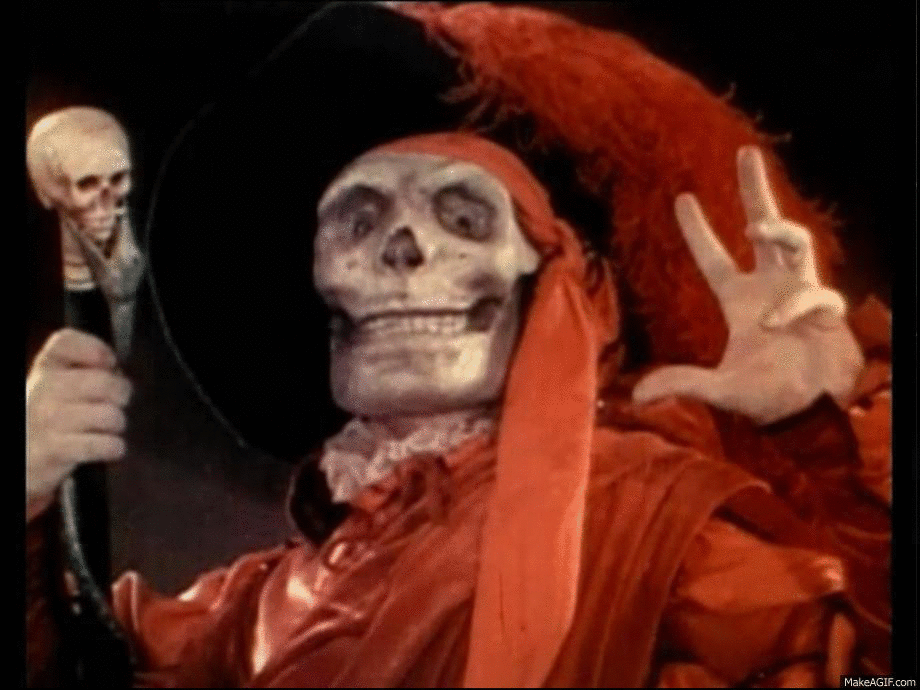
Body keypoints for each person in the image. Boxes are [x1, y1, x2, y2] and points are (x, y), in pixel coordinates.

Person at [26, 3, 892, 687]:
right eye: (358, 220)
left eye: (465, 218)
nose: (404, 248)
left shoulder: (655, 533)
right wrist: (28, 498)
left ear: (552, 283)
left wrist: (836, 435)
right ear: (320, 289)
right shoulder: (255, 605)